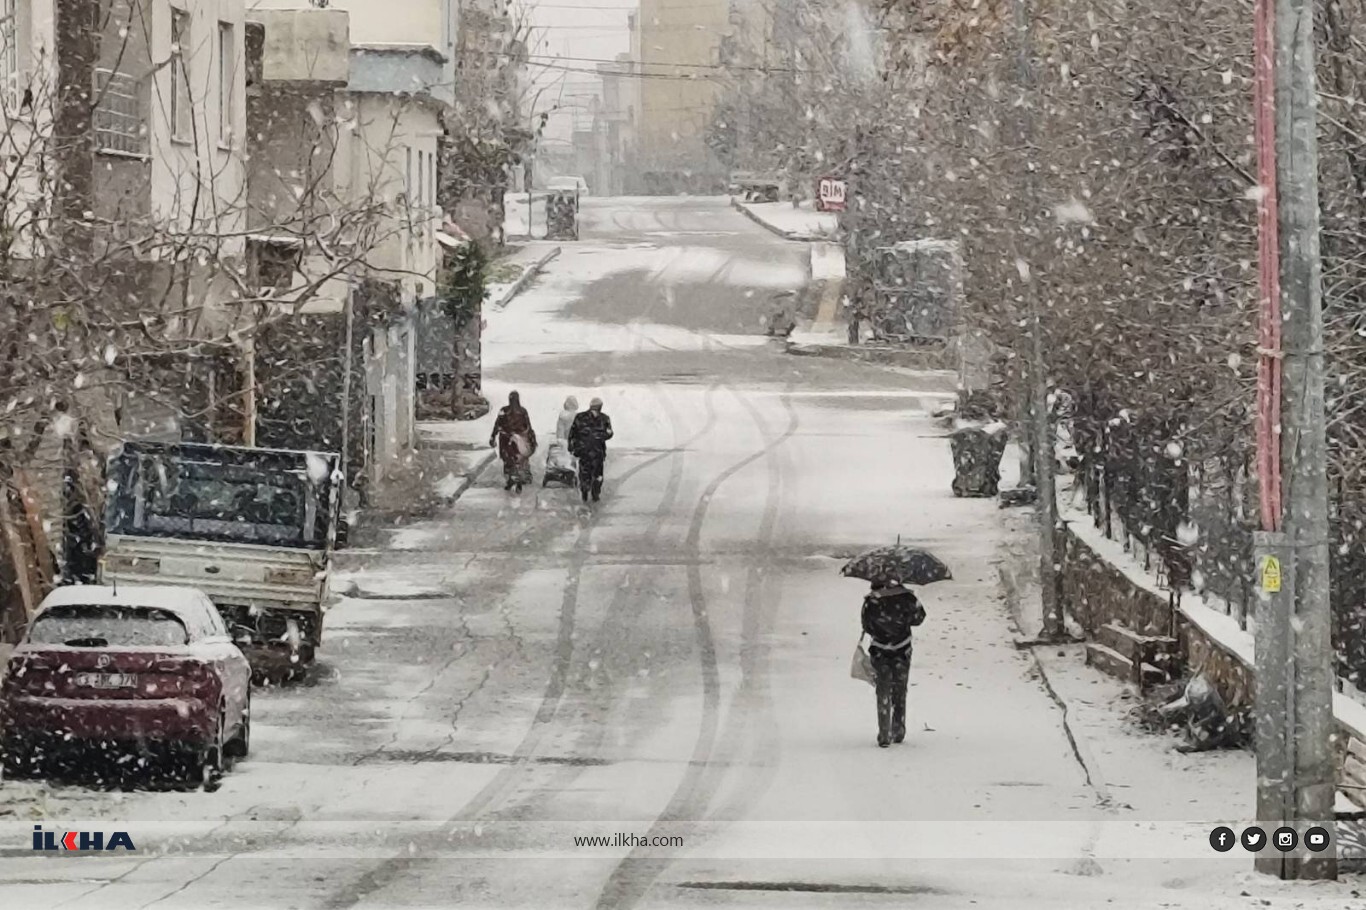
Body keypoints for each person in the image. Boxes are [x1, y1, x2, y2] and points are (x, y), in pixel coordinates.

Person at [861, 580, 925, 747]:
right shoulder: (906, 597)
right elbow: (919, 618)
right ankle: (898, 728)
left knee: (882, 688)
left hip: (879, 650)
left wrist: (881, 629)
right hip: (902, 649)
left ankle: (884, 731)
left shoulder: (871, 600)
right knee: (900, 688)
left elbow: (866, 626)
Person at [568, 397, 613, 503]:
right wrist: (601, 436)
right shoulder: (604, 418)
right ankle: (594, 494)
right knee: (596, 474)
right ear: (600, 407)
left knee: (585, 472)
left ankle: (587, 492)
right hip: (596, 451)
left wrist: (572, 447)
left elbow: (572, 433)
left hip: (586, 450)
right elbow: (609, 433)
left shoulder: (580, 417)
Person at [490, 391, 537, 493]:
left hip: (505, 439)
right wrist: (530, 439)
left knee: (507, 460)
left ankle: (510, 479)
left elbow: (497, 424)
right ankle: (519, 477)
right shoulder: (523, 411)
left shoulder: (504, 410)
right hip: (519, 439)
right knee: (519, 459)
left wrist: (493, 436)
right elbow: (528, 426)